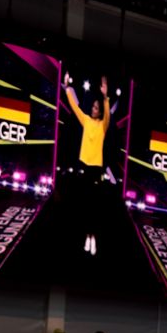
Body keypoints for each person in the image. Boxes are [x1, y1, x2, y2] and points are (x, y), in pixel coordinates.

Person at [63, 74, 114, 255]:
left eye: (96, 108)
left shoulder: (102, 125)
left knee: (95, 206)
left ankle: (93, 237)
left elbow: (108, 115)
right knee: (84, 205)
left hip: (96, 169)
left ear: (99, 111)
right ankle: (87, 236)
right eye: (93, 106)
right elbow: (74, 107)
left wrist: (106, 97)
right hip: (84, 166)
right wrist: (67, 86)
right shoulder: (85, 121)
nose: (94, 109)